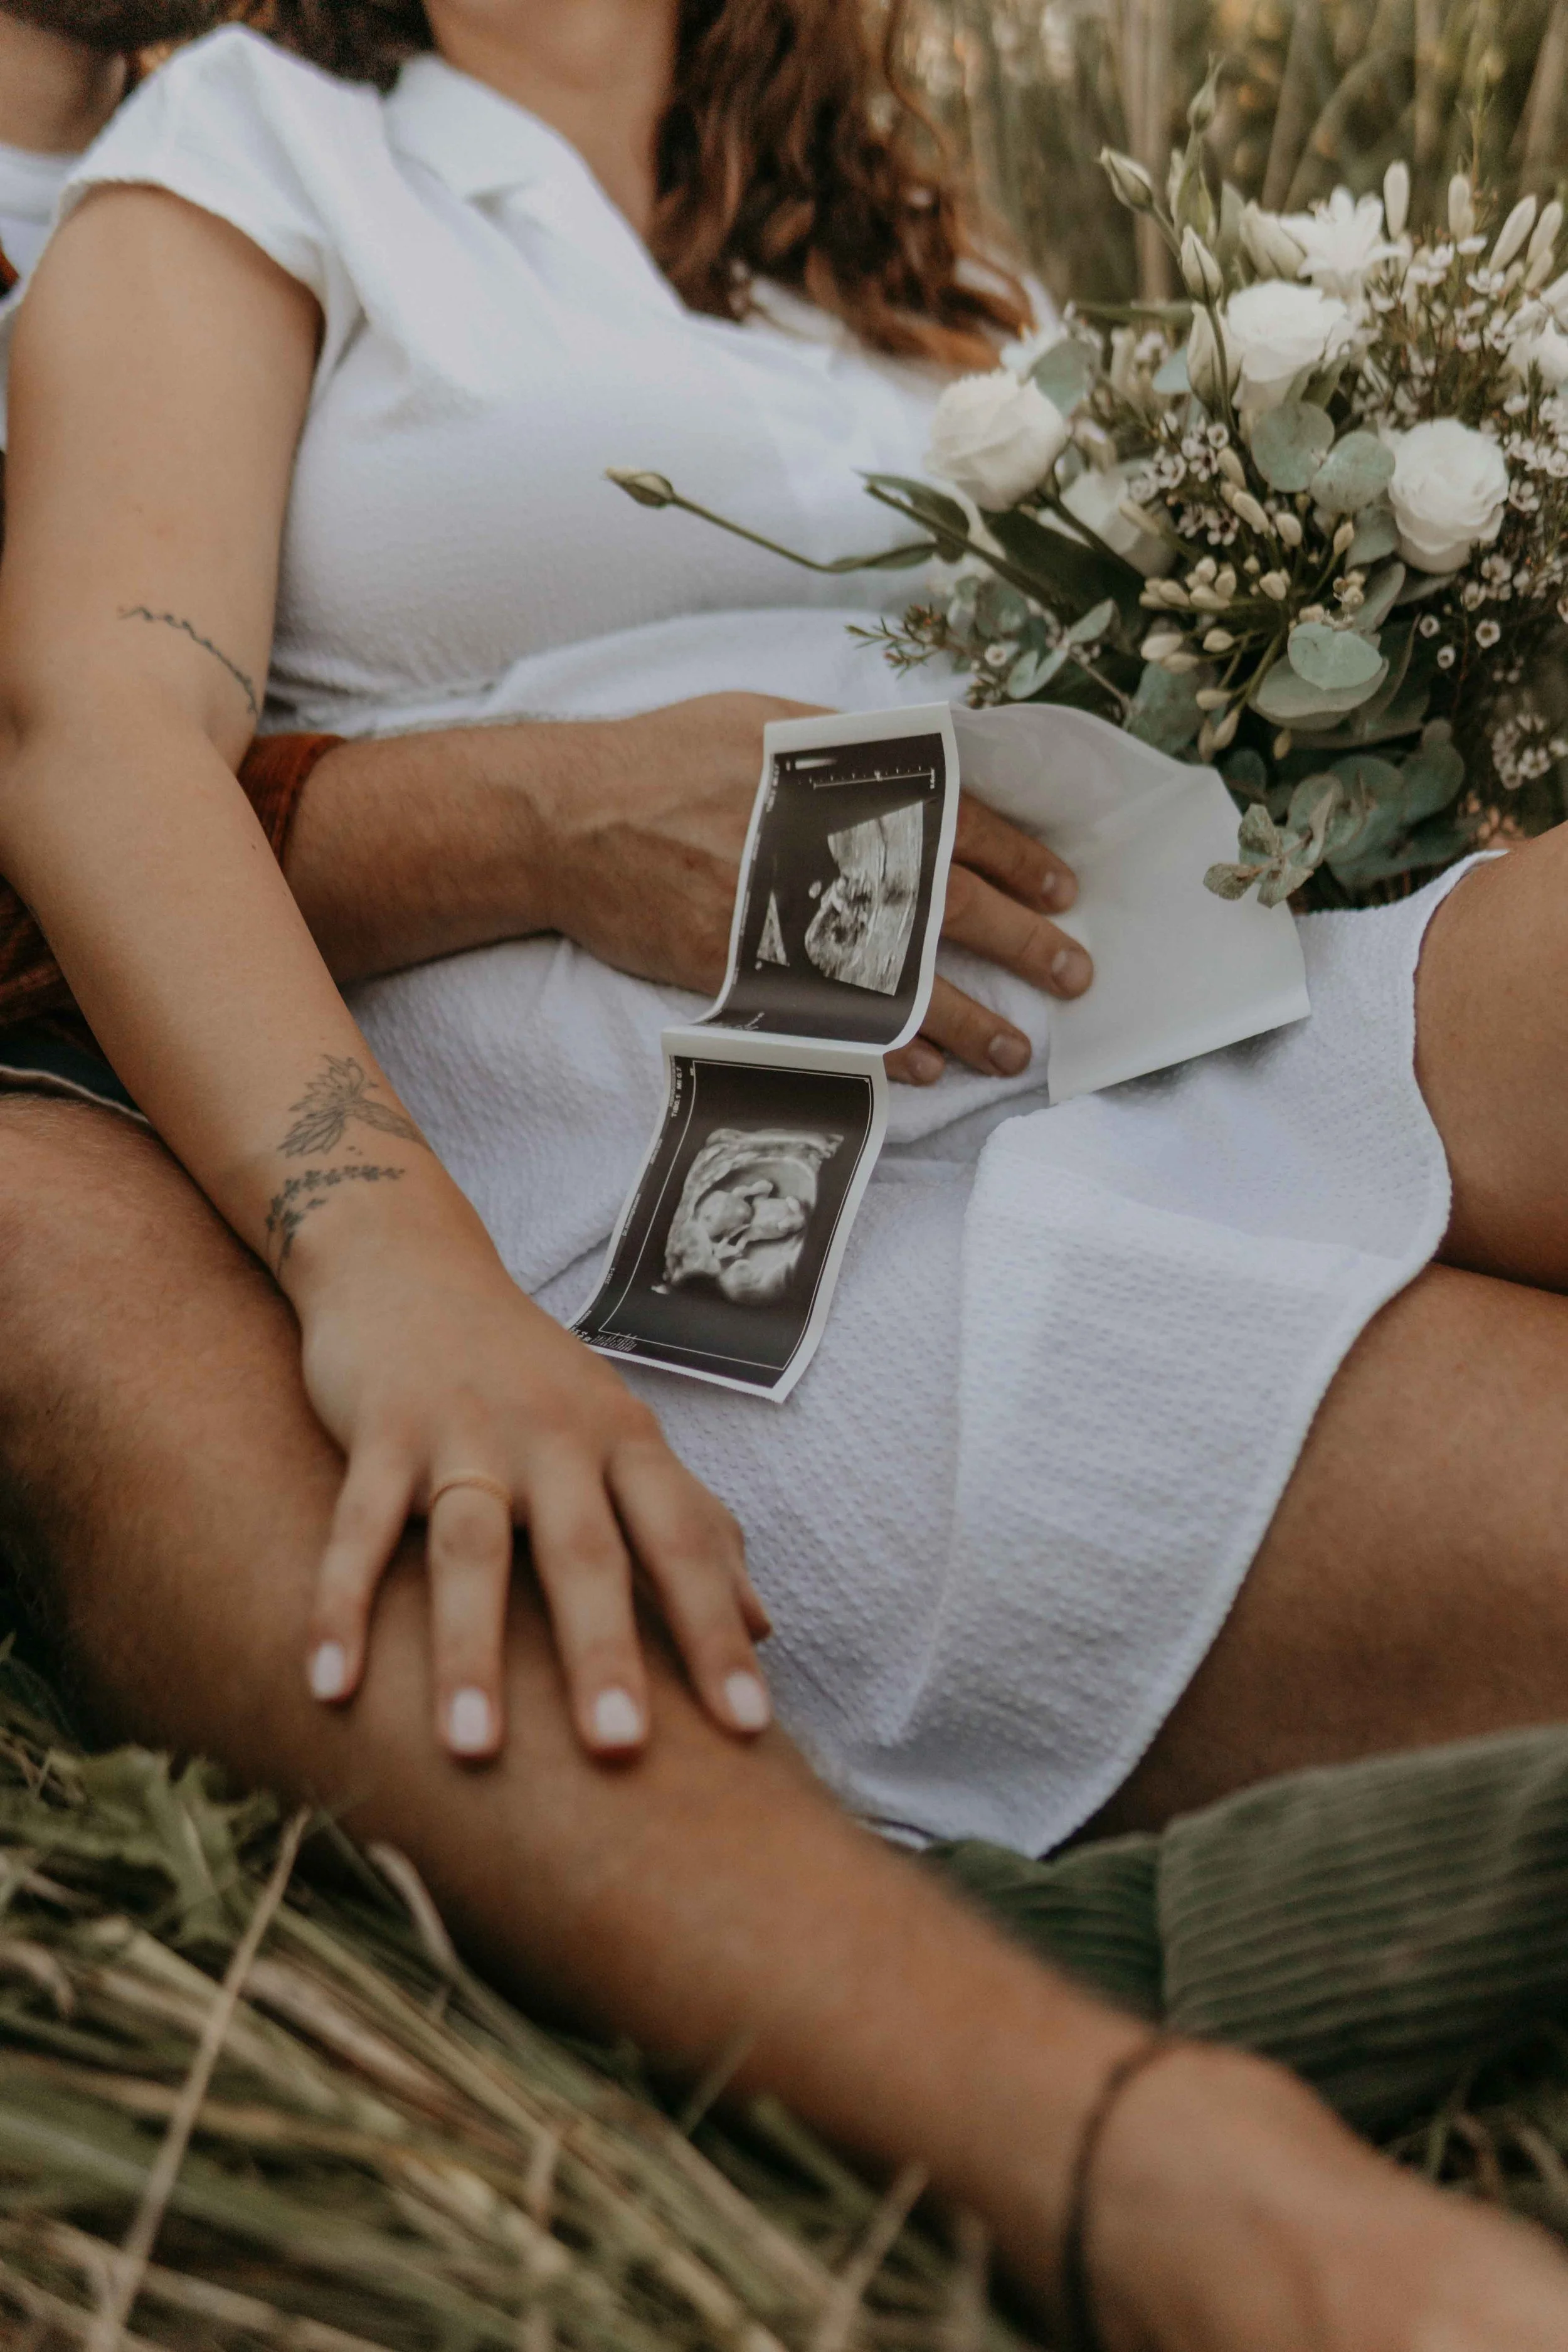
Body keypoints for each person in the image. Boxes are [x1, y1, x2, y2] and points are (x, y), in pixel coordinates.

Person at [3, 1, 1568, 2340]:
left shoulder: (933, 291)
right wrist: (390, 1260)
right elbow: (99, 725)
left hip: (1175, 997)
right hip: (721, 1183)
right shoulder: (266, 148)